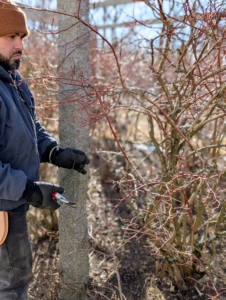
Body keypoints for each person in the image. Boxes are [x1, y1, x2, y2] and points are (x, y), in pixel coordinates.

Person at [0, 1, 90, 299]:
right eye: (10, 36)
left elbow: (29, 129)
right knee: (12, 285)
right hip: (3, 211)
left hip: (11, 204)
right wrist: (29, 190)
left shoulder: (13, 82)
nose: (20, 44)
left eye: (22, 37)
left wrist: (54, 152)